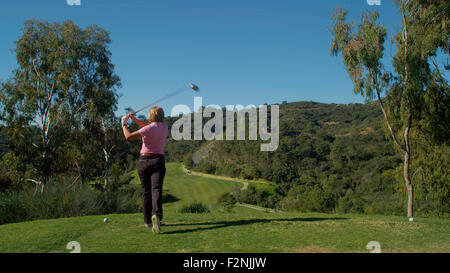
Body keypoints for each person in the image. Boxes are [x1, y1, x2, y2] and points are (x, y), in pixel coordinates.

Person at [121, 106, 168, 234]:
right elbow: (147, 126)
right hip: (158, 160)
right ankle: (157, 217)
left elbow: (129, 136)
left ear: (150, 116)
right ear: (161, 116)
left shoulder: (148, 128)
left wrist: (124, 124)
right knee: (156, 190)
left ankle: (147, 221)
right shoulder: (164, 127)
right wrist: (133, 118)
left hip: (144, 161)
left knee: (146, 192)